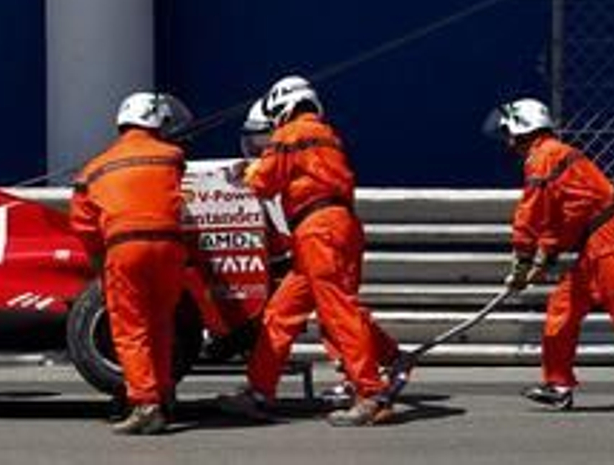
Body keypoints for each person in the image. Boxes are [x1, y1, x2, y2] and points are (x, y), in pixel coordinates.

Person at [485, 98, 614, 412]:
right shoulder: (549, 154)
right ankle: (558, 384)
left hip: (606, 240)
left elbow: (532, 213)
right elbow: (561, 214)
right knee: (562, 308)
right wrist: (543, 256)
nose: (508, 141)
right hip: (593, 243)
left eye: (508, 132)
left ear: (521, 127)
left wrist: (524, 259)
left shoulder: (544, 155)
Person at [215, 76, 399, 426]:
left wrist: (244, 173)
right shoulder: (325, 134)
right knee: (280, 313)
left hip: (318, 230)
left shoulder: (291, 133)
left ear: (282, 105)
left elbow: (264, 182)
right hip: (329, 227)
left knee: (337, 313)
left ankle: (371, 394)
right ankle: (258, 391)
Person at [69, 92, 190, 435]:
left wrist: (100, 261)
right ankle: (165, 397)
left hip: (124, 248)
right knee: (161, 323)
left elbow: (82, 225)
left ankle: (145, 404)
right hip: (170, 247)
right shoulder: (172, 156)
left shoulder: (93, 168)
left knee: (131, 329)